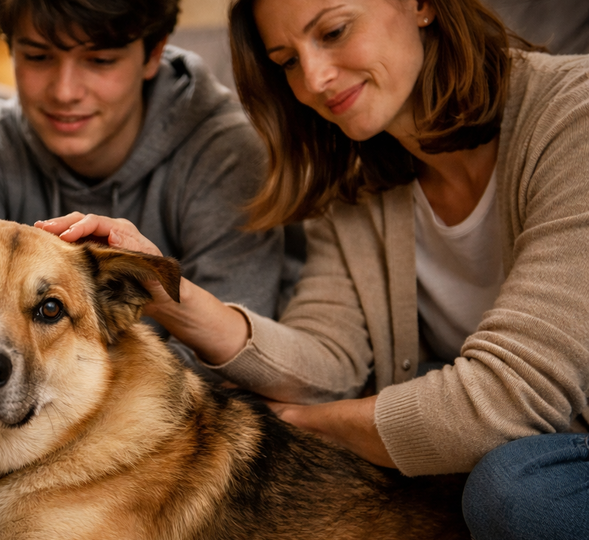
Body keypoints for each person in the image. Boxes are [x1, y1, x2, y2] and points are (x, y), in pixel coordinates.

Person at [39, 0, 589, 538]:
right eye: (287, 61)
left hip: (548, 442)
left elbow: (505, 398)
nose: (315, 80)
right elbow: (326, 362)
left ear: (421, 5)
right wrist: (160, 288)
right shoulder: (356, 174)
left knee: (516, 493)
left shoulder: (575, 114)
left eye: (333, 32)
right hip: (521, 436)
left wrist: (315, 426)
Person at [0, 0, 296, 378]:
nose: (65, 91)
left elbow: (235, 368)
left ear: (154, 54)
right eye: (37, 56)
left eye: (100, 61)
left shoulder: (228, 156)